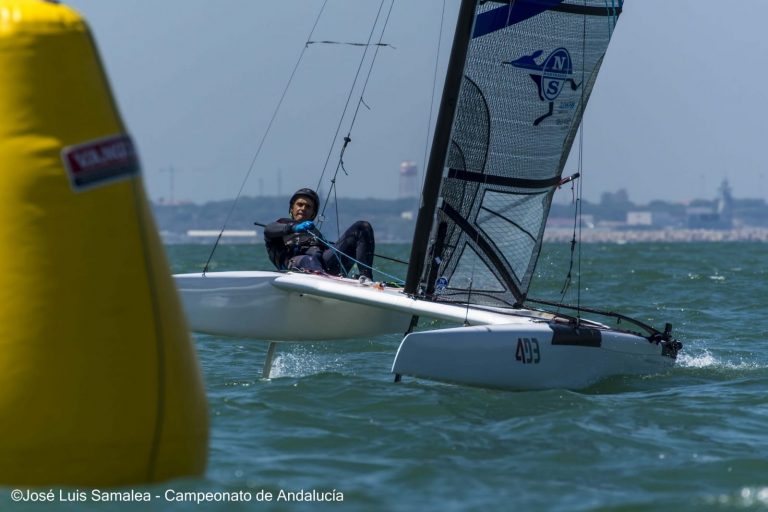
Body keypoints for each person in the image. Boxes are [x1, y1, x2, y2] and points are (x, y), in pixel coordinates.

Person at [263, 188, 375, 279]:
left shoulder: (315, 232)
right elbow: (268, 230)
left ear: (313, 213)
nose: (303, 208)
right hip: (296, 265)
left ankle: (366, 279)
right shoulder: (281, 223)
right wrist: (295, 227)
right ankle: (321, 277)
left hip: (325, 265)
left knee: (362, 227)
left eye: (308, 206)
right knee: (310, 260)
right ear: (292, 208)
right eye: (300, 204)